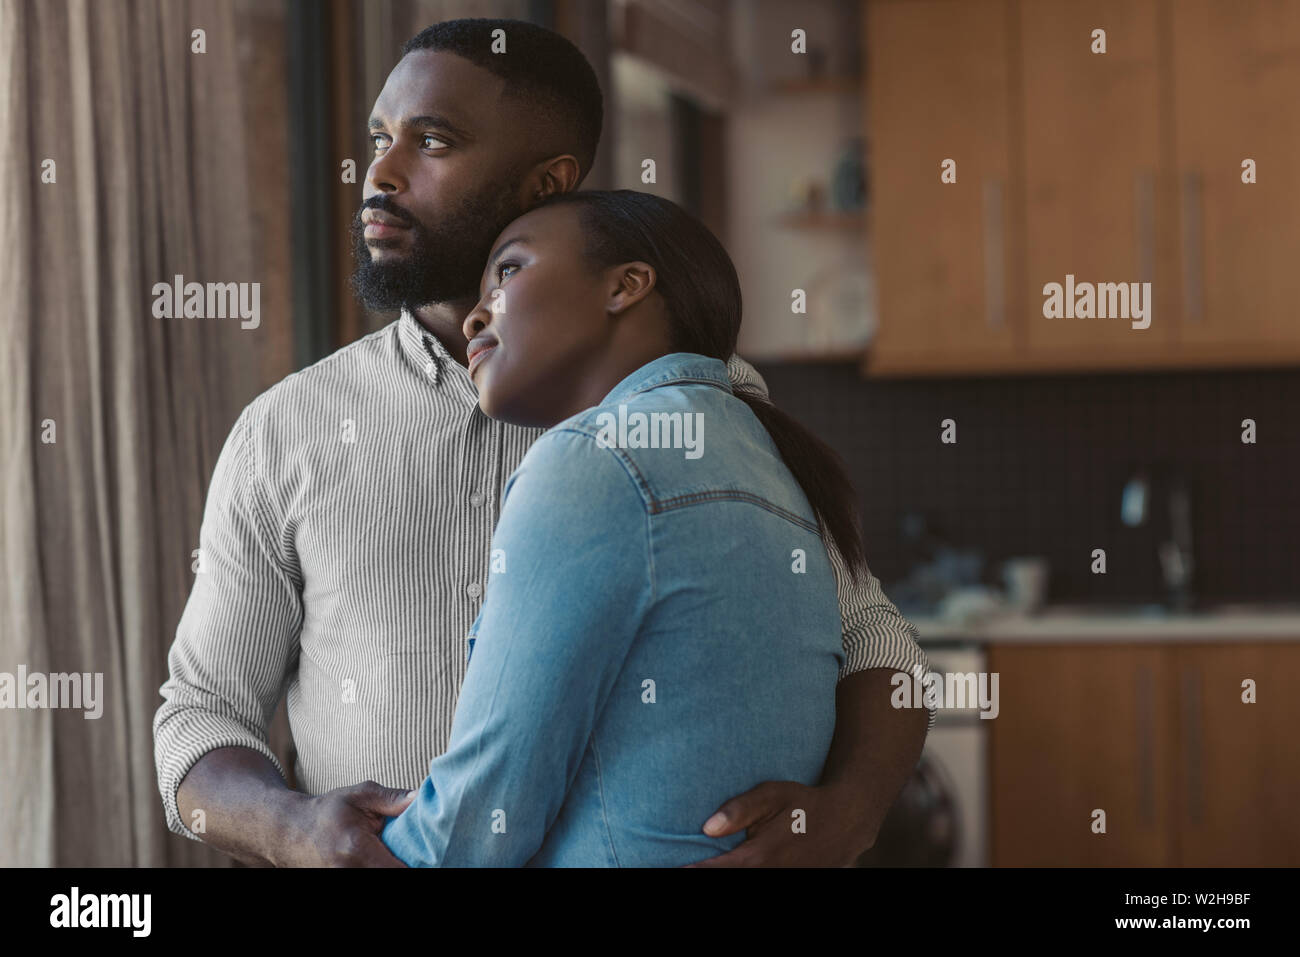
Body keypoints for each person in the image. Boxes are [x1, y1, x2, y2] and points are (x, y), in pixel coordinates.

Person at [153, 18, 931, 868]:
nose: (379, 173)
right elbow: (199, 712)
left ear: (547, 181)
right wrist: (288, 827)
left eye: (433, 141)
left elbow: (874, 640)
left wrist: (851, 813)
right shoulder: (285, 430)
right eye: (380, 138)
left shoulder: (699, 406)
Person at [381, 190, 877, 865]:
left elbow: (471, 832)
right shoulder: (771, 461)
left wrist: (325, 844)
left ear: (626, 286)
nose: (473, 316)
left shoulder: (597, 457)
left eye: (509, 270)